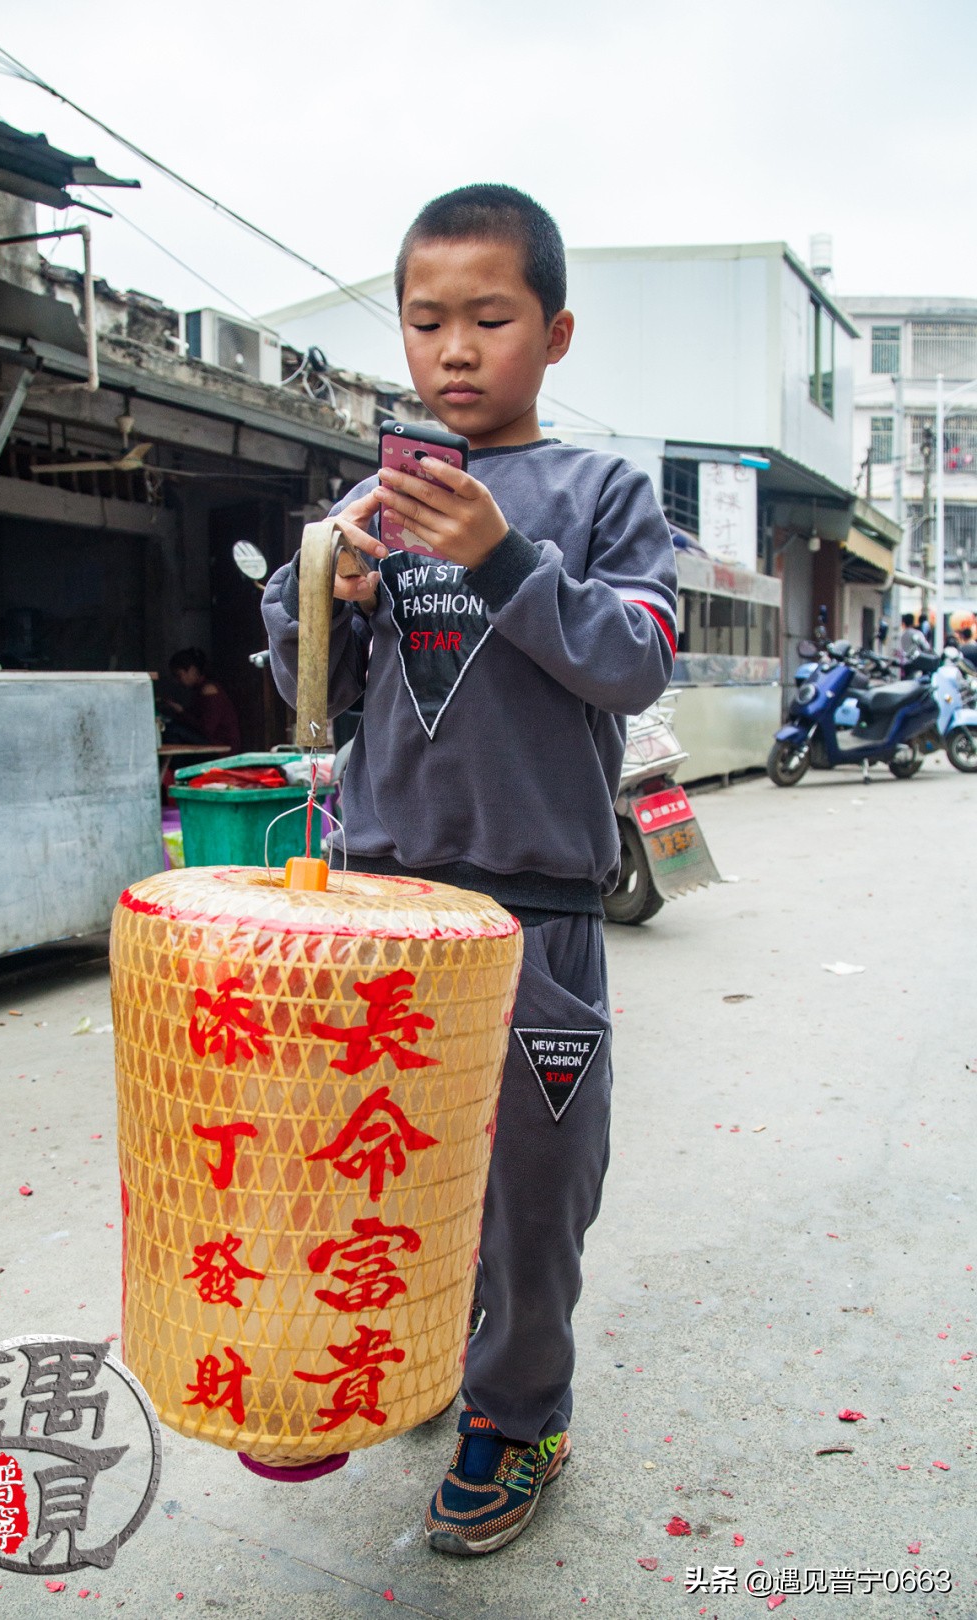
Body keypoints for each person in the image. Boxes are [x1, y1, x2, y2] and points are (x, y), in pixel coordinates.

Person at [263, 184, 676, 1556]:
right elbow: (312, 689)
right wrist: (318, 588)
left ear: (553, 334)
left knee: (532, 1198)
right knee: (375, 1174)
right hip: (383, 914)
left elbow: (633, 660)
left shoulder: (602, 495)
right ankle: (404, 1357)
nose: (453, 349)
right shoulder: (370, 502)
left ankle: (518, 1413)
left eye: (489, 319)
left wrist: (501, 558)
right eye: (425, 320)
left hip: (533, 918)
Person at [163, 648, 241, 752]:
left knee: (172, 730)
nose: (177, 681)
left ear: (192, 670)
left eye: (179, 675)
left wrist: (181, 711)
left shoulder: (209, 690)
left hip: (221, 745)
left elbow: (206, 729)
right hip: (211, 740)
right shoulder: (198, 689)